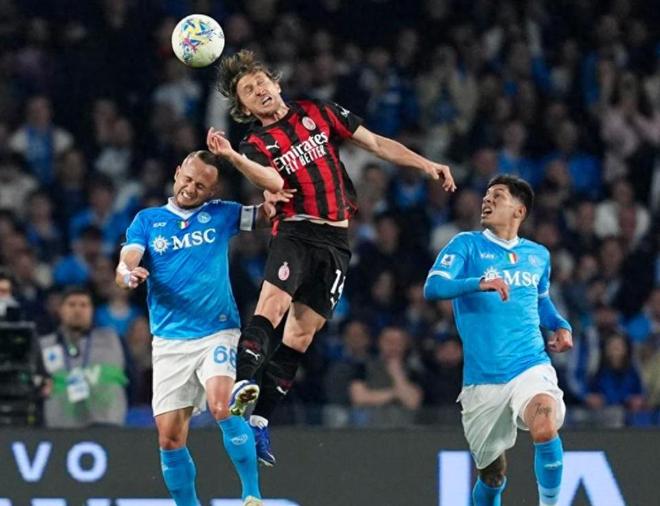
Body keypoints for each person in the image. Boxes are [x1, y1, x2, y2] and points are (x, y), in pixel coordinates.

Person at [205, 49, 456, 466]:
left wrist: (426, 164)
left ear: (276, 82)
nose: (259, 90)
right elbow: (272, 181)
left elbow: (375, 143)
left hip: (337, 241)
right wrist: (232, 156)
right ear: (244, 108)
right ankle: (241, 384)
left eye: (261, 81)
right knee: (272, 306)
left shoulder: (318, 112)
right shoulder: (255, 143)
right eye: (248, 90)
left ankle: (259, 422)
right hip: (296, 231)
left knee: (300, 336)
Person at [115, 150, 290, 506]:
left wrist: (275, 196)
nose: (190, 188)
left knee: (223, 405)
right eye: (188, 179)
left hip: (218, 332)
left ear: (212, 191)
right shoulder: (148, 220)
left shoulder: (221, 213)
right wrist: (127, 274)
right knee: (169, 439)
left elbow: (267, 214)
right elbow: (127, 260)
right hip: (169, 341)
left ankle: (252, 494)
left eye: (201, 186)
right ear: (177, 172)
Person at [423, 175, 573, 506]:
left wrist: (561, 325)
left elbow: (541, 301)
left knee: (545, 425)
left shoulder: (538, 255)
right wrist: (478, 283)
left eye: (497, 196)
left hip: (529, 365)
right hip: (483, 381)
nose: (486, 200)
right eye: (487, 195)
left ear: (519, 210)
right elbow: (433, 287)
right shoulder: (466, 245)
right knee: (492, 476)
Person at [36, 287, 128, 428]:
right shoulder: (45, 345)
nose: (78, 310)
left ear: (92, 310)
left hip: (106, 423)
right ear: (60, 310)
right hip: (59, 426)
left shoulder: (112, 340)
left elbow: (132, 378)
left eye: (84, 305)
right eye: (71, 305)